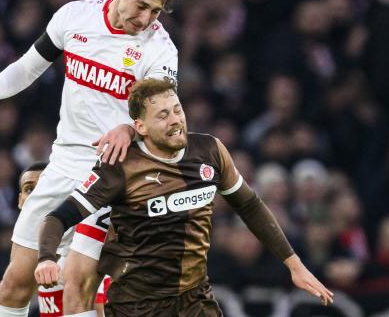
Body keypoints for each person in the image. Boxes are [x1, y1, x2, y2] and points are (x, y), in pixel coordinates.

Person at [0, 0, 181, 317]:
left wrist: (128, 127)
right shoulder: (75, 17)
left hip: (114, 174)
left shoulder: (159, 50)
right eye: (142, 6)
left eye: (155, 11)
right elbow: (29, 66)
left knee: (78, 284)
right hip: (63, 164)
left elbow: (163, 116)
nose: (146, 19)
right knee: (16, 280)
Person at [35, 78, 333, 316]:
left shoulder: (210, 151)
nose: (175, 120)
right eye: (162, 115)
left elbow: (249, 205)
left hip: (195, 298)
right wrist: (46, 258)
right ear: (140, 127)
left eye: (177, 109)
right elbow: (58, 217)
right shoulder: (120, 166)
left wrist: (295, 265)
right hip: (138, 304)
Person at [18, 162, 107, 317]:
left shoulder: (88, 248)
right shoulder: (25, 256)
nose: (39, 197)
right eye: (30, 189)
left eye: (48, 189)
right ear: (20, 200)